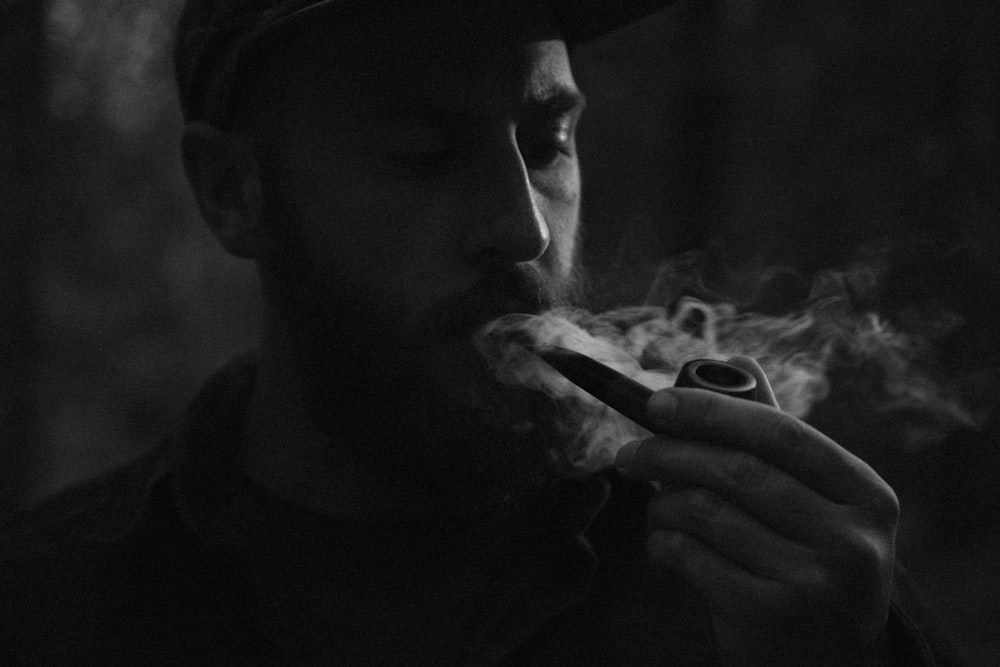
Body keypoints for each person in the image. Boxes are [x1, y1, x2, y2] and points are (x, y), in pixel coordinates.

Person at [0, 1, 957, 664]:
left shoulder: (737, 587)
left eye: (547, 143)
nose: (523, 227)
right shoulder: (54, 609)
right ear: (232, 192)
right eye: (424, 152)